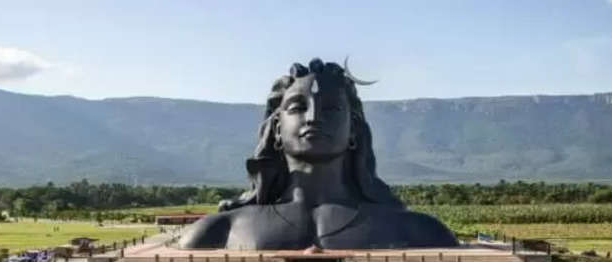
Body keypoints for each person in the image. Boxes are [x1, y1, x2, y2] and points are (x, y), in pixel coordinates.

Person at [178, 58, 457, 250]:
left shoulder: (419, 230)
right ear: (276, 129)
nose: (313, 118)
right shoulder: (219, 229)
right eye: (298, 107)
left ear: (353, 130)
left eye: (332, 109)